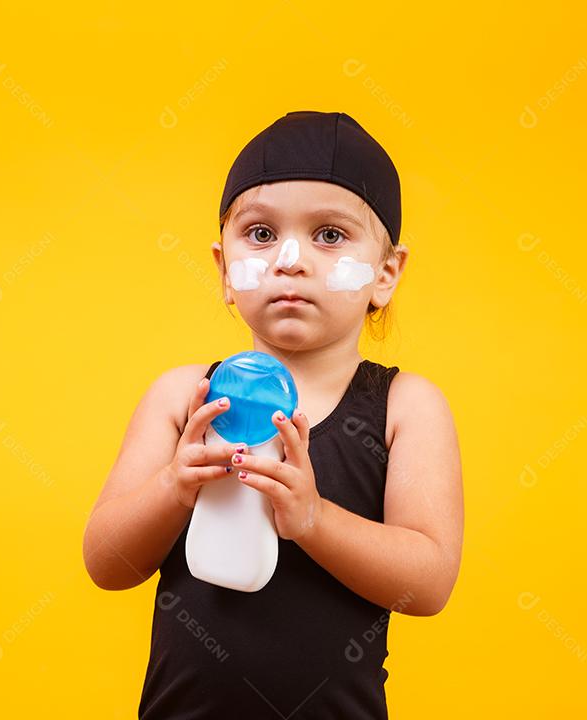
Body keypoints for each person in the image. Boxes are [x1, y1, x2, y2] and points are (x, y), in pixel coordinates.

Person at [82, 110, 463, 719]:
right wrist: (172, 487)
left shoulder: (406, 407)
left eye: (330, 236)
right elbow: (106, 563)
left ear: (386, 274)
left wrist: (314, 519)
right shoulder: (184, 397)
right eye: (260, 234)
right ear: (224, 270)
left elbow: (429, 582)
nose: (290, 259)